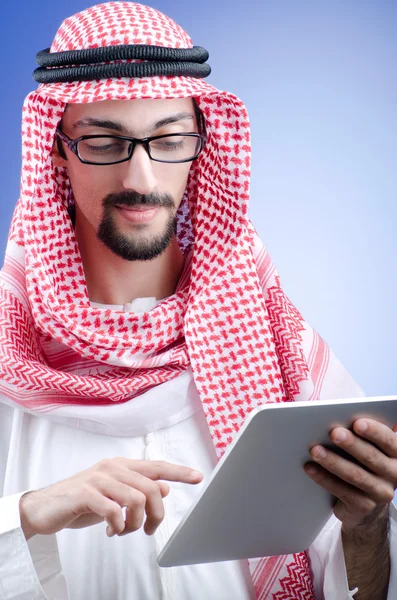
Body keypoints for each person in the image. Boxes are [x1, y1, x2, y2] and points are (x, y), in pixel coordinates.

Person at [0, 2, 395, 599]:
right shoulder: (10, 352)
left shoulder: (268, 336)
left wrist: (366, 528)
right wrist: (29, 514)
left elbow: (359, 582)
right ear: (55, 147)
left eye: (169, 140)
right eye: (105, 142)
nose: (143, 178)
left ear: (201, 144)